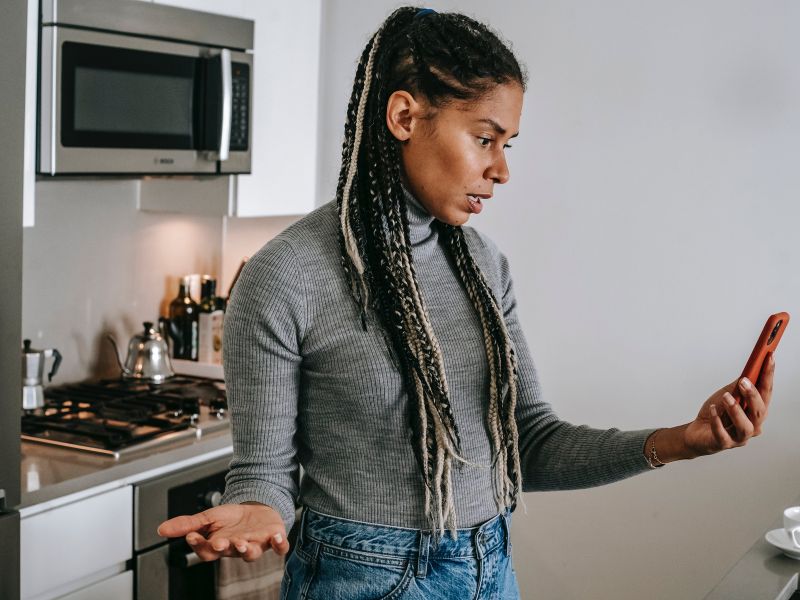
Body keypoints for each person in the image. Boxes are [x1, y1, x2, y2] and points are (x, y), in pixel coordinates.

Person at [158, 7, 775, 598]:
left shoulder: (483, 267)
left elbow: (527, 442)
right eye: (486, 138)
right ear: (404, 116)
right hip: (361, 578)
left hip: (489, 568)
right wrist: (257, 511)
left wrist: (682, 440)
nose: (501, 170)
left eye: (509, 144)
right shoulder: (286, 276)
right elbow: (263, 471)